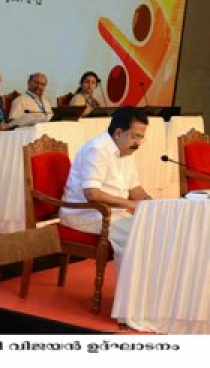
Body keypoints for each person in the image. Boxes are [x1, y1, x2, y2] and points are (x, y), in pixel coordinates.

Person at [59, 107, 152, 275]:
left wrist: (155, 206)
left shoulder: (126, 150)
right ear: (118, 133)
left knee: (153, 227)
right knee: (142, 235)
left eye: (141, 137)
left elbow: (134, 188)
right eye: (135, 136)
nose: (138, 143)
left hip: (113, 214)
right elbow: (92, 194)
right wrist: (131, 204)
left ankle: (143, 293)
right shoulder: (98, 149)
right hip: (86, 214)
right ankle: (129, 295)